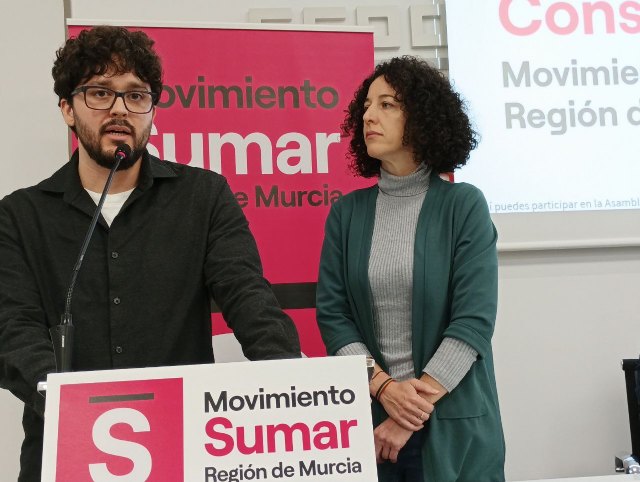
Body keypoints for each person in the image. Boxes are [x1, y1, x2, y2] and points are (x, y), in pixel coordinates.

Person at [0, 25, 301, 481]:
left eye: (136, 95)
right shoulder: (20, 216)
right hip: (65, 450)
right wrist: (67, 403)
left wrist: (292, 385)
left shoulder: (204, 197)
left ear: (152, 110)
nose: (120, 109)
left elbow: (248, 296)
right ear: (67, 109)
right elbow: (13, 328)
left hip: (185, 448)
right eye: (101, 92)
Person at [316, 56, 505, 481]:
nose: (369, 116)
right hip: (372, 425)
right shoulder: (346, 214)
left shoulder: (463, 206)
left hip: (450, 423)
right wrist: (384, 388)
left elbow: (473, 322)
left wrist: (408, 415)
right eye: (367, 106)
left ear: (422, 118)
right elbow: (334, 318)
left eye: (387, 105)